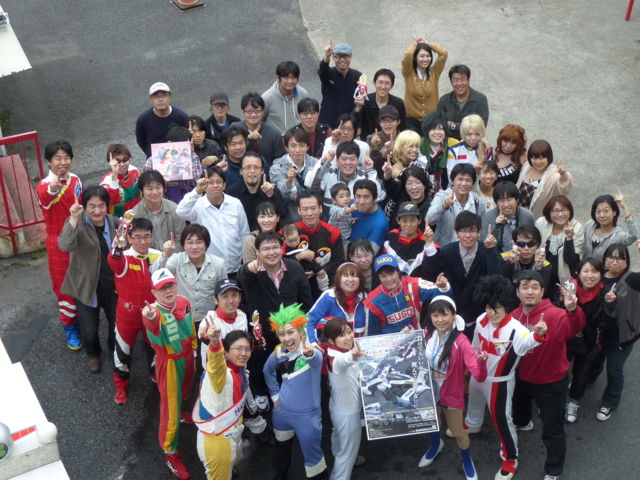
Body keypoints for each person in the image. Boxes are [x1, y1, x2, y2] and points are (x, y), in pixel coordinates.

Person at [464, 275, 547, 480]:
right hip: (478, 375)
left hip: (499, 383)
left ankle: (510, 458)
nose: (492, 313)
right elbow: (474, 346)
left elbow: (529, 341)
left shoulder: (516, 330)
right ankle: (473, 423)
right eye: (488, 307)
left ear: (507, 306)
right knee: (473, 402)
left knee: (502, 420)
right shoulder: (481, 320)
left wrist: (538, 334)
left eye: (497, 308)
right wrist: (471, 366)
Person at [511, 270, 585, 480]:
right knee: (520, 410)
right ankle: (523, 422)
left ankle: (554, 470)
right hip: (522, 377)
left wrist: (572, 310)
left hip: (551, 382)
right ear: (517, 292)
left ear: (542, 291)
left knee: (552, 429)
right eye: (525, 287)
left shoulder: (556, 314)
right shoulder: (513, 316)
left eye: (535, 287)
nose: (530, 292)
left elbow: (575, 327)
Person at [237, 231, 313, 410]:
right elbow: (241, 277)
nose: (271, 252)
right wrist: (248, 268)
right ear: (257, 252)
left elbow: (306, 300)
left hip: (291, 329)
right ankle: (261, 392)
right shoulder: (252, 271)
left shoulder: (294, 267)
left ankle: (290, 394)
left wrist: (303, 327)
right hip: (262, 330)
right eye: (265, 249)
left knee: (290, 362)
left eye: (275, 247)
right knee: (261, 362)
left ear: (282, 248)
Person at [418, 296, 487, 480]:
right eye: (435, 315)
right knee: (433, 422)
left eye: (444, 315)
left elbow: (478, 375)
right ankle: (435, 446)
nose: (440, 320)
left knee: (457, 431)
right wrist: (407, 335)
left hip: (450, 391)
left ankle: (467, 461)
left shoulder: (461, 341)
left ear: (454, 315)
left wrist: (481, 362)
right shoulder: (428, 333)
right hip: (429, 388)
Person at [141, 268, 196, 480]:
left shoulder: (183, 302)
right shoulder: (153, 312)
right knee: (169, 407)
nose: (168, 291)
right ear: (154, 293)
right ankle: (170, 452)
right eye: (162, 288)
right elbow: (151, 321)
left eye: (170, 285)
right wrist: (150, 316)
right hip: (170, 363)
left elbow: (190, 327)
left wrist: (193, 350)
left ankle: (181, 413)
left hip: (187, 357)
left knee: (186, 391)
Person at [263, 304, 328, 480]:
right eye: (282, 334)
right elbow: (267, 370)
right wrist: (275, 396)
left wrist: (310, 353)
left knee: (314, 460)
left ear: (300, 331)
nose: (286, 338)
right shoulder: (279, 351)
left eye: (291, 332)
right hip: (281, 413)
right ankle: (280, 474)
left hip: (307, 418)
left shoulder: (313, 351)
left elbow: (316, 360)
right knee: (281, 449)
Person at [58, 185, 118, 373]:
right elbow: (64, 245)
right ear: (84, 206)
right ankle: (93, 354)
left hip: (112, 283)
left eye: (101, 206)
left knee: (115, 323)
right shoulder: (77, 222)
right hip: (86, 284)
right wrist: (73, 218)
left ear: (107, 206)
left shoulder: (114, 222)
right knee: (89, 328)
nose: (97, 211)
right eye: (92, 206)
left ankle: (114, 348)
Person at [108, 217, 163, 405]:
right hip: (127, 314)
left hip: (152, 312)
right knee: (122, 352)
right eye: (137, 237)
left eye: (147, 236)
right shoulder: (123, 256)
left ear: (152, 237)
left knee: (155, 347)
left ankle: (157, 375)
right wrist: (121, 235)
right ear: (130, 238)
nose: (142, 241)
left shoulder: (158, 255)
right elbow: (113, 260)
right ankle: (121, 386)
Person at [423, 211, 504, 336]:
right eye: (463, 231)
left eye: (472, 231)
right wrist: (429, 243)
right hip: (451, 318)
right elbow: (430, 273)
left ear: (479, 233)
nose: (468, 235)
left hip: (480, 317)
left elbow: (497, 280)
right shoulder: (447, 251)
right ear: (456, 233)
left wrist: (491, 250)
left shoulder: (486, 250)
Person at [36, 140, 83, 349]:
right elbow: (46, 195)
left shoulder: (76, 179)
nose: (63, 162)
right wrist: (54, 187)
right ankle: (69, 326)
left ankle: (85, 320)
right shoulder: (44, 185)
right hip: (58, 243)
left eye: (67, 157)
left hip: (80, 238)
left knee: (84, 281)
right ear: (49, 162)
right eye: (58, 158)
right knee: (64, 286)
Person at [586, 243, 640, 422]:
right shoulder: (599, 276)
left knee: (614, 371)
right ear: (605, 259)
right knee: (595, 360)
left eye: (620, 258)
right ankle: (587, 380)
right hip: (600, 333)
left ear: (627, 261)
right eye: (611, 257)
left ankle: (610, 402)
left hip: (622, 336)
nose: (614, 262)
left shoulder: (631, 279)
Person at [193, 324, 252, 480]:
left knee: (234, 460)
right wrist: (214, 343)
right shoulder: (221, 375)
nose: (243, 353)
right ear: (225, 352)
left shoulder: (239, 369)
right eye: (238, 349)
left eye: (247, 349)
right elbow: (215, 366)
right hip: (218, 443)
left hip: (232, 431)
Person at [176, 166, 250, 276]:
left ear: (224, 185)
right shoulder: (197, 205)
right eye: (210, 182)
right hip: (209, 269)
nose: (215, 185)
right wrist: (197, 191)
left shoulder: (235, 203)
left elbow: (244, 234)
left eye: (219, 182)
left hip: (235, 266)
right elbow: (181, 211)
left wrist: (245, 262)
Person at [563, 258, 611, 424]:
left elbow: (609, 321)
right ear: (578, 273)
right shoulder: (569, 288)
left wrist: (610, 305)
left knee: (581, 375)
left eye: (595, 271)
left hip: (589, 343)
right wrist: (563, 301)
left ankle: (573, 402)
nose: (590, 276)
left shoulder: (606, 294)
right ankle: (555, 398)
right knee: (559, 371)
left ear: (601, 274)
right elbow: (557, 311)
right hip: (566, 340)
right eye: (586, 271)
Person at [322, 317, 365, 480]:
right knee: (347, 453)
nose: (348, 337)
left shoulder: (335, 350)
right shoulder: (337, 358)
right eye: (341, 335)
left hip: (337, 405)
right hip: (347, 413)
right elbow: (343, 361)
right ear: (331, 340)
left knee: (338, 439)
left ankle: (340, 456)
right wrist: (353, 356)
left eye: (349, 332)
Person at [364, 254, 450, 335]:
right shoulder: (372, 302)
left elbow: (441, 295)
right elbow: (371, 336)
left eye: (391, 273)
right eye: (383, 276)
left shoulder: (413, 285)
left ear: (398, 271)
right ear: (378, 277)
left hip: (417, 338)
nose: (389, 279)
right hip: (390, 344)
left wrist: (443, 287)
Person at [161, 223, 227, 326]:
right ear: (183, 245)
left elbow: (224, 292)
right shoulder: (176, 260)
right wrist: (165, 254)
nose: (194, 247)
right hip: (181, 318)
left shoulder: (218, 264)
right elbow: (158, 275)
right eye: (190, 242)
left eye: (199, 242)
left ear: (206, 245)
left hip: (209, 319)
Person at [294, 190, 345, 298]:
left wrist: (317, 271)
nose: (310, 213)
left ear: (321, 208)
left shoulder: (333, 232)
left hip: (325, 286)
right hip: (296, 287)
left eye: (313, 208)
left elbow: (338, 261)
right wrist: (299, 256)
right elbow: (282, 259)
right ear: (299, 211)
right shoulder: (290, 232)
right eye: (305, 209)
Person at [308, 141, 382, 209]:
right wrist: (325, 162)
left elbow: (379, 195)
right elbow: (312, 187)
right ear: (337, 160)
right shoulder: (328, 174)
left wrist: (370, 171)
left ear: (358, 160)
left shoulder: (365, 176)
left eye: (352, 159)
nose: (348, 162)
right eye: (344, 159)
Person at [306, 262, 368, 343]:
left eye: (354, 275)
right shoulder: (329, 297)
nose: (350, 279)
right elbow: (309, 321)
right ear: (338, 279)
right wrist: (312, 343)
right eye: (346, 275)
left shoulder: (366, 298)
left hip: (360, 346)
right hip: (333, 348)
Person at [426, 163, 486, 246]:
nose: (464, 183)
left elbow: (481, 229)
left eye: (468, 180)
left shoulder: (478, 202)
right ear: (452, 180)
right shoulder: (442, 197)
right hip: (445, 248)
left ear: (473, 183)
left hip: (469, 249)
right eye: (460, 179)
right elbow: (429, 219)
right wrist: (443, 207)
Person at [142, 126, 205, 204]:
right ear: (167, 143)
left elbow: (196, 181)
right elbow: (146, 185)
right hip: (161, 202)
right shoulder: (152, 161)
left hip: (187, 201)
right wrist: (163, 182)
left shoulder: (193, 157)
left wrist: (187, 160)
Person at [226, 152, 286, 231]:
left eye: (256, 167)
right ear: (241, 171)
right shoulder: (231, 192)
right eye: (248, 167)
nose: (252, 171)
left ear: (262, 170)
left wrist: (272, 196)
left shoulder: (271, 190)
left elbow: (283, 214)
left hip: (267, 236)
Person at [270, 129, 320, 222]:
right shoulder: (277, 167)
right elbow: (281, 193)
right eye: (293, 146)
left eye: (301, 145)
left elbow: (320, 188)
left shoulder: (316, 164)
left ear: (307, 147)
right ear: (286, 148)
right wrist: (289, 181)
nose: (297, 150)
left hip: (313, 211)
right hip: (290, 214)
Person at [535, 195, 584, 289]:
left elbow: (571, 260)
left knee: (566, 297)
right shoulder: (541, 223)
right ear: (549, 213)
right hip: (543, 273)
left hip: (567, 276)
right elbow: (535, 248)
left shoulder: (577, 228)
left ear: (570, 212)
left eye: (564, 210)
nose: (560, 214)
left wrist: (569, 238)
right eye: (556, 211)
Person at [402, 36, 448, 132]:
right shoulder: (408, 72)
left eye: (428, 56)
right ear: (415, 58)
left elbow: (444, 53)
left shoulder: (434, 72)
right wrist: (416, 44)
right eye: (422, 56)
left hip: (431, 121)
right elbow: (408, 54)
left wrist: (428, 44)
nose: (425, 59)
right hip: (411, 121)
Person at [133, 170, 186, 253]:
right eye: (150, 189)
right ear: (141, 191)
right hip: (147, 257)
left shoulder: (174, 209)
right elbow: (135, 244)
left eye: (158, 187)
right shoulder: (135, 214)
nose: (155, 192)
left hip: (173, 256)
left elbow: (181, 239)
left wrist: (168, 254)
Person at [516, 140, 572, 218]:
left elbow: (564, 187)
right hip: (517, 215)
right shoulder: (526, 167)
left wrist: (563, 174)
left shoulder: (553, 174)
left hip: (536, 219)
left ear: (548, 157)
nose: (538, 162)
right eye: (534, 158)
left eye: (542, 158)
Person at [135, 82, 189, 157]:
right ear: (151, 100)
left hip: (178, 158)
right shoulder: (143, 119)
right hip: (154, 160)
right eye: (156, 96)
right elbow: (141, 141)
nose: (160, 99)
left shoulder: (182, 117)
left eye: (164, 95)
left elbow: (188, 139)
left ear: (170, 98)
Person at [231, 92, 285, 167]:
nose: (253, 115)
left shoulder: (274, 133)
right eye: (249, 111)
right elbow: (229, 153)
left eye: (257, 111)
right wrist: (247, 139)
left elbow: (280, 161)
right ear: (243, 112)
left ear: (263, 112)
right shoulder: (235, 129)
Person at [481, 181, 535, 253]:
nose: (506, 204)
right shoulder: (488, 217)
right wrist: (496, 227)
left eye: (509, 199)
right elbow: (485, 245)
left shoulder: (527, 216)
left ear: (517, 200)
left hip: (521, 255)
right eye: (501, 200)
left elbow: (532, 242)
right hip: (497, 256)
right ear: (496, 203)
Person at [437, 65, 489, 140]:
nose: (459, 83)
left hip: (472, 142)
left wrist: (453, 126)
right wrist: (468, 126)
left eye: (462, 79)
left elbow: (481, 127)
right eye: (455, 80)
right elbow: (439, 125)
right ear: (451, 82)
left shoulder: (480, 99)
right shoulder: (444, 100)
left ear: (468, 81)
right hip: (449, 143)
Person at [318, 41, 362, 128]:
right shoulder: (328, 73)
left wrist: (359, 125)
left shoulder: (358, 76)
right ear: (333, 57)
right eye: (338, 56)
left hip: (349, 123)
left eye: (346, 56)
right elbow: (322, 71)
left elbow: (360, 103)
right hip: (328, 122)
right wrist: (326, 56)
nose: (342, 59)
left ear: (351, 57)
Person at [582, 192, 638, 261]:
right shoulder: (589, 225)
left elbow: (634, 236)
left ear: (614, 212)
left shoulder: (618, 235)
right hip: (583, 267)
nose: (602, 215)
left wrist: (624, 207)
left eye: (606, 211)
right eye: (598, 211)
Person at [354, 68, 407, 139]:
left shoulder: (398, 103)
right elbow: (354, 123)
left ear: (392, 86)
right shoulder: (365, 100)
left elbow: (403, 127)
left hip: (391, 141)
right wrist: (358, 108)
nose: (383, 87)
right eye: (380, 82)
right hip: (368, 141)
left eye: (387, 83)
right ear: (374, 83)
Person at [384, 202, 435, 276]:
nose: (408, 225)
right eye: (404, 221)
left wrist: (429, 243)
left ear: (419, 220)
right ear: (398, 221)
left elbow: (433, 270)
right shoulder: (391, 236)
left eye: (412, 220)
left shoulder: (426, 241)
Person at [502, 225, 554, 297]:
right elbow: (502, 287)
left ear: (538, 245)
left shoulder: (544, 264)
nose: (526, 248)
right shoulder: (504, 258)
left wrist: (539, 269)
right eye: (521, 244)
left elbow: (544, 293)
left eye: (531, 244)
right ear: (514, 244)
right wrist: (510, 264)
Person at [262, 61, 309, 134]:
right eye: (286, 78)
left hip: (298, 138)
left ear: (298, 79)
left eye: (293, 77)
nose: (290, 81)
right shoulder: (267, 98)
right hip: (276, 139)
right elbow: (259, 120)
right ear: (278, 78)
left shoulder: (303, 94)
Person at [383, 166, 432, 233]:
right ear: (404, 186)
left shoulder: (430, 207)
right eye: (409, 183)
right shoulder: (401, 193)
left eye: (418, 182)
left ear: (425, 185)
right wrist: (388, 175)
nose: (414, 187)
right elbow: (390, 186)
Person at [446, 114, 493, 180]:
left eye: (477, 134)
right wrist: (473, 170)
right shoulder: (454, 150)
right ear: (463, 134)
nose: (473, 138)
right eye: (469, 134)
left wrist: (479, 172)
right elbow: (451, 179)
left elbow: (489, 179)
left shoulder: (487, 150)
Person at [100, 144, 141, 218]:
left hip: (137, 214)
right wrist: (114, 179)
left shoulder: (134, 170)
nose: (122, 164)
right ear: (110, 163)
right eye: (117, 161)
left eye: (125, 160)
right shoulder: (106, 182)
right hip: (119, 219)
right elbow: (113, 201)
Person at [420, 110, 457, 191]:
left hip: (445, 190)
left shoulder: (452, 145)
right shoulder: (418, 145)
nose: (437, 132)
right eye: (433, 129)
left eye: (441, 129)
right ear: (427, 130)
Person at [349, 179, 388, 253]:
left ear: (375, 199)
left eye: (366, 197)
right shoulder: (350, 206)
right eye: (358, 196)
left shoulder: (380, 224)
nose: (361, 202)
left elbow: (368, 255)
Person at [328, 182, 354, 248]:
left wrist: (350, 220)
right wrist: (351, 209)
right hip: (336, 238)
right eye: (341, 197)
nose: (346, 199)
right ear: (334, 200)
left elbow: (345, 216)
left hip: (346, 235)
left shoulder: (346, 207)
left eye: (347, 196)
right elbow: (342, 212)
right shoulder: (334, 209)